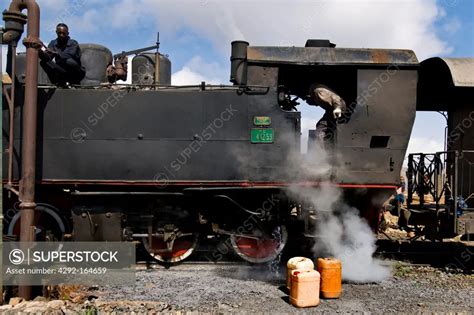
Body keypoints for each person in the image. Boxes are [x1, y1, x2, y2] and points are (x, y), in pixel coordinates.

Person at [309, 84, 346, 149]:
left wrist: (337, 107)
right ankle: (329, 149)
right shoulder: (316, 92)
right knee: (327, 129)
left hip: (336, 109)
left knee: (321, 129)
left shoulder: (318, 91)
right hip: (331, 110)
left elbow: (335, 97)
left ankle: (324, 152)